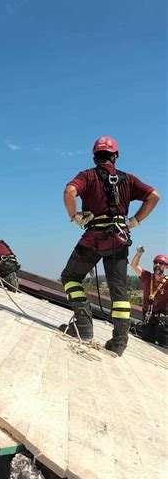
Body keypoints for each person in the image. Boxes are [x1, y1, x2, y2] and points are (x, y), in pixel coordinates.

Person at [59, 136, 160, 356]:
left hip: (94, 237)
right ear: (115, 156)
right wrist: (135, 221)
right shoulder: (128, 179)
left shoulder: (87, 175)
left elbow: (69, 191)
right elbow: (154, 196)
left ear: (95, 156)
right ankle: (118, 342)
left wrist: (74, 216)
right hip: (119, 240)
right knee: (119, 291)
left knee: (70, 277)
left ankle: (83, 326)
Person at [131, 248, 167, 347]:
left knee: (163, 345)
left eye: (161, 263)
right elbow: (134, 265)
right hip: (148, 318)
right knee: (146, 343)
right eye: (156, 263)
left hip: (162, 319)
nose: (158, 265)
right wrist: (138, 254)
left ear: (166, 267)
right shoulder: (147, 277)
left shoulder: (167, 283)